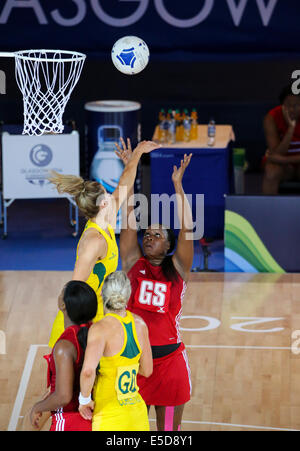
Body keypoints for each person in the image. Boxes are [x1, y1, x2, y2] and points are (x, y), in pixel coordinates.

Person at [48, 139, 160, 348]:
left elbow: (124, 185)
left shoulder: (105, 221)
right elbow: (72, 290)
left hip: (96, 314)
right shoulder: (94, 241)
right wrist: (73, 338)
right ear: (104, 203)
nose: (112, 193)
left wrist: (136, 155)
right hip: (77, 322)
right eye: (107, 193)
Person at [119, 142, 193, 431]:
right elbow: (127, 218)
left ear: (170, 244)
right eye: (147, 234)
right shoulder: (132, 261)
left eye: (157, 235)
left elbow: (187, 227)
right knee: (128, 432)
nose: (149, 237)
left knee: (168, 433)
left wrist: (178, 185)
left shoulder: (178, 268)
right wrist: (130, 166)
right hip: (134, 363)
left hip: (170, 365)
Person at [78, 271, 153, 431]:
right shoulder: (140, 324)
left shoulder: (100, 328)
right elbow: (147, 370)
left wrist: (83, 400)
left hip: (109, 417)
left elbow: (88, 372)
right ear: (128, 295)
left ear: (102, 294)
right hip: (137, 416)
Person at [29, 281, 98, 431]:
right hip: (97, 414)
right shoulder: (96, 333)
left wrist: (37, 407)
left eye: (62, 292)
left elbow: (63, 396)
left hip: (70, 419)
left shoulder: (65, 346)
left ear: (63, 305)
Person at [262, 84, 300, 194]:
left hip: (285, 161)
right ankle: (268, 210)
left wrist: (283, 159)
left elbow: (275, 157)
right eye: (288, 105)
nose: (292, 109)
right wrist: (291, 129)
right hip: (282, 166)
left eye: (297, 105)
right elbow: (276, 152)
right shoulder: (272, 117)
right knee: (271, 171)